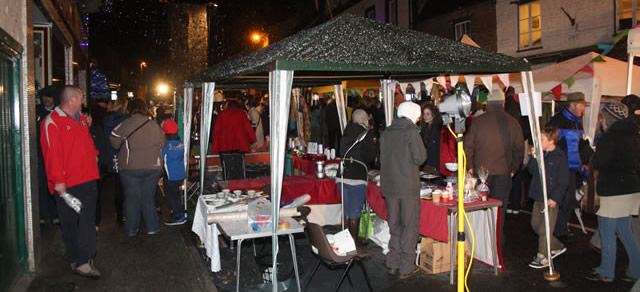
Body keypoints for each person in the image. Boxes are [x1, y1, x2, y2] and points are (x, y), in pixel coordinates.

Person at [40, 85, 101, 278]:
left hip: (88, 179)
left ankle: (83, 260)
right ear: (72, 100)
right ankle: (78, 258)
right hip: (68, 183)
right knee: (70, 223)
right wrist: (58, 181)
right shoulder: (52, 122)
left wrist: (95, 156)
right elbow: (52, 155)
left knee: (86, 221)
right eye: (81, 98)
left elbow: (87, 143)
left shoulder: (81, 119)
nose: (83, 102)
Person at [586, 103, 640, 283]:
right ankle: (635, 270)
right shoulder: (634, 136)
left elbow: (600, 162)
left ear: (606, 118)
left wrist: (588, 152)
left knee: (607, 231)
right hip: (631, 188)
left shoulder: (609, 138)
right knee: (625, 231)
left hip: (613, 190)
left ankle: (606, 271)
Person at [464, 88, 524, 245]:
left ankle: (479, 243)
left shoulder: (478, 122)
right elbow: (519, 149)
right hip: (503, 173)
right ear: (503, 103)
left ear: (487, 104)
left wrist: (470, 165)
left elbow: (467, 146)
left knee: (479, 207)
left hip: (480, 174)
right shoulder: (513, 123)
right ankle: (496, 242)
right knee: (498, 210)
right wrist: (513, 169)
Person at [380, 101, 427, 279]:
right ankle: (406, 268)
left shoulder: (386, 132)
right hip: (407, 187)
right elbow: (421, 157)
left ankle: (393, 262)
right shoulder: (411, 132)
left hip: (390, 187)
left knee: (395, 226)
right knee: (410, 227)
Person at [110, 98, 165, 236]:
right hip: (153, 167)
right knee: (148, 197)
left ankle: (131, 229)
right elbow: (162, 143)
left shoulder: (125, 124)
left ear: (130, 109)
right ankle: (152, 227)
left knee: (131, 198)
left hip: (130, 168)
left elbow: (114, 142)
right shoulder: (154, 125)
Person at [546, 92, 594, 241]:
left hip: (572, 168)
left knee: (568, 200)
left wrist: (588, 158)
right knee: (560, 199)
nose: (582, 108)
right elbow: (548, 143)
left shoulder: (576, 122)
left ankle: (561, 229)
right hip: (559, 167)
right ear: (572, 105)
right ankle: (553, 231)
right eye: (581, 105)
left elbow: (580, 144)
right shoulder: (557, 121)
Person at [527, 126, 569, 269]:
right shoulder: (542, 154)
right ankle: (556, 246)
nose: (539, 141)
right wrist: (534, 158)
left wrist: (556, 198)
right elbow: (532, 171)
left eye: (542, 139)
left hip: (550, 199)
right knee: (536, 226)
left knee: (545, 229)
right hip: (538, 196)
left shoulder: (559, 157)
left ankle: (543, 256)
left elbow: (563, 180)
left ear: (551, 141)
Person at [337, 109, 377, 242]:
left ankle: (345, 242)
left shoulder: (345, 132)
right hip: (357, 176)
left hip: (342, 175)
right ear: (365, 120)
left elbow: (342, 152)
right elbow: (371, 157)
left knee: (347, 210)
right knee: (354, 212)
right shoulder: (366, 134)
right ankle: (353, 244)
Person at [211, 100, 257, 180]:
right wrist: (253, 140)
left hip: (224, 146)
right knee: (239, 168)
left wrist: (214, 142)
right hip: (239, 147)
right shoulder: (242, 114)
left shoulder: (222, 115)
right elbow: (248, 128)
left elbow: (216, 131)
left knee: (226, 169)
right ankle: (239, 186)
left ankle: (227, 185)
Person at [36, 85, 60, 225]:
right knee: (42, 185)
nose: (46, 99)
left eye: (49, 96)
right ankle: (44, 215)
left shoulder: (58, 113)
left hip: (55, 156)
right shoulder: (37, 112)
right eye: (44, 96)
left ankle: (56, 214)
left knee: (56, 185)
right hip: (41, 155)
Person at [82, 108, 109, 230]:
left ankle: (95, 222)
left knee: (95, 198)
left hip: (96, 172)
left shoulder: (97, 130)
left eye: (89, 116)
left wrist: (102, 166)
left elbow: (103, 149)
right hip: (81, 173)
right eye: (84, 116)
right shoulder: (76, 132)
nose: (87, 119)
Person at [103, 98, 128, 225]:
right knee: (126, 187)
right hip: (124, 155)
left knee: (118, 187)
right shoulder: (125, 120)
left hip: (112, 155)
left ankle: (120, 215)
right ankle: (127, 214)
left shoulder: (107, 119)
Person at [161, 119, 187, 225]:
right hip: (180, 173)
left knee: (170, 195)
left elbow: (161, 159)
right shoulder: (180, 143)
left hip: (170, 175)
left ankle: (178, 215)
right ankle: (180, 212)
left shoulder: (165, 146)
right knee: (176, 194)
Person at [419, 103, 443, 174]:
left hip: (435, 162)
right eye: (424, 114)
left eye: (428, 114)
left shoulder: (438, 128)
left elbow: (437, 147)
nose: (425, 116)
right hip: (428, 163)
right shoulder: (424, 128)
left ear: (433, 114)